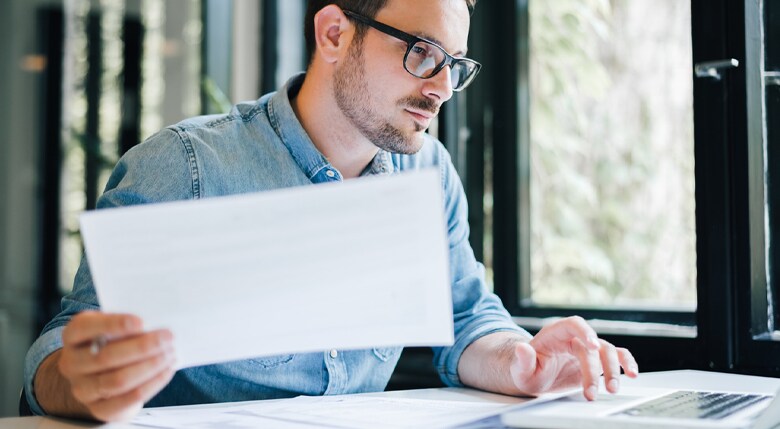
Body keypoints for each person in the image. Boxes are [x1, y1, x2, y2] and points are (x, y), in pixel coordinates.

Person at [24, 0, 638, 422]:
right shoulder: (186, 166)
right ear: (335, 34)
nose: (442, 88)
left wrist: (523, 362)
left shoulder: (429, 173)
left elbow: (466, 318)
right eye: (424, 53)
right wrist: (79, 381)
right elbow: (60, 354)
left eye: (454, 65)